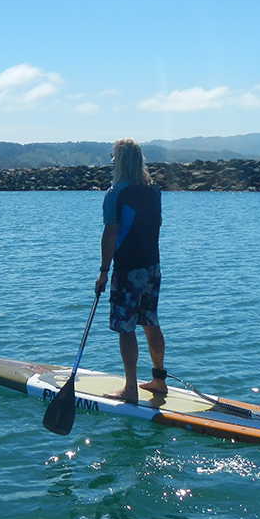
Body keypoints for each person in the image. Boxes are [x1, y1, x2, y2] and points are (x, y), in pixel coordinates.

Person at [95, 138, 167, 404]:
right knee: (150, 321)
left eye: (113, 157)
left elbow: (111, 233)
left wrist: (103, 271)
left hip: (128, 269)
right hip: (153, 266)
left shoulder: (115, 193)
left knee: (127, 328)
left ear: (120, 161)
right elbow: (157, 224)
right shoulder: (153, 189)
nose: (111, 161)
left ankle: (130, 389)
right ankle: (159, 380)